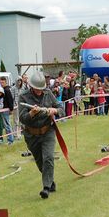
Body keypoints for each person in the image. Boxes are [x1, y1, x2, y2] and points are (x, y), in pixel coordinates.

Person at [18, 71, 64, 199]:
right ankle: (50, 182)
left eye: (41, 89)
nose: (39, 91)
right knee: (40, 162)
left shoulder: (48, 93)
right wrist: (31, 114)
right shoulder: (23, 97)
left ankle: (46, 188)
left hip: (47, 131)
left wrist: (54, 110)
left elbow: (61, 108)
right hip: (31, 135)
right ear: (31, 86)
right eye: (37, 89)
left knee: (48, 157)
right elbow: (22, 118)